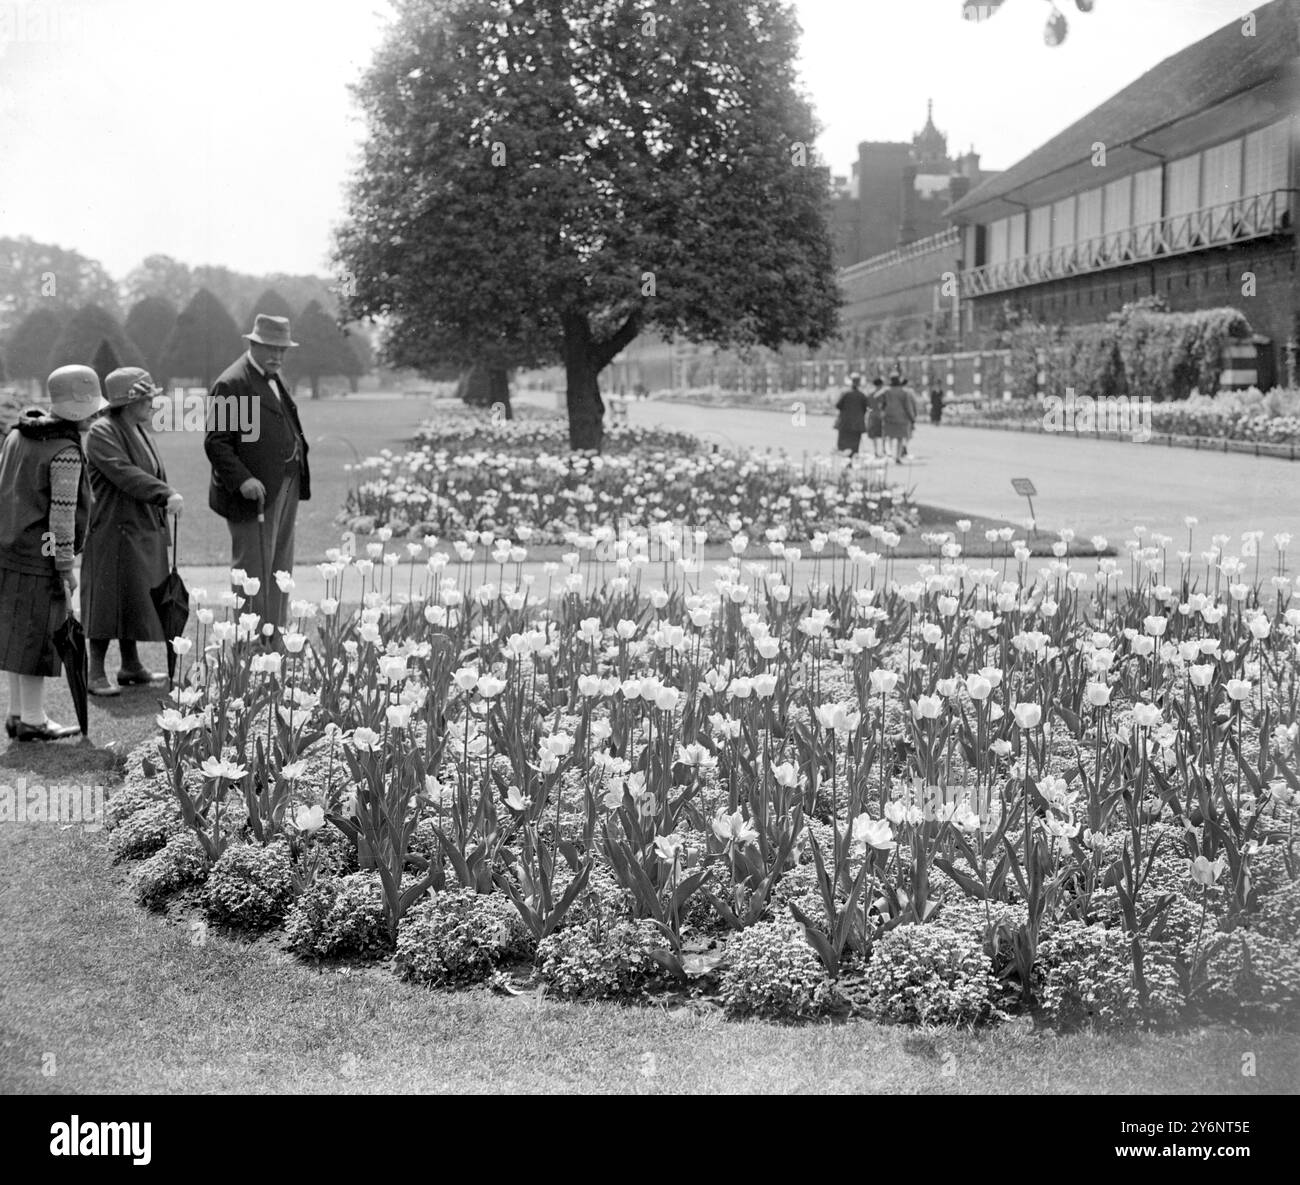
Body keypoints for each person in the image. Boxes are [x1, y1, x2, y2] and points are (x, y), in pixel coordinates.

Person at [0, 365, 100, 741]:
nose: (95, 414)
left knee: (13, 637)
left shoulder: (15, 435)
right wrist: (65, 566)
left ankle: (16, 713)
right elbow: (61, 516)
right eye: (90, 407)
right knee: (38, 641)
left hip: (8, 551)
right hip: (40, 559)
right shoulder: (66, 451)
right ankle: (34, 718)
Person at [205, 315, 311, 633]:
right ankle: (250, 647)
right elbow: (217, 443)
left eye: (282, 349)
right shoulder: (234, 383)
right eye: (270, 348)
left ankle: (274, 640)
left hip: (286, 484)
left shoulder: (275, 378)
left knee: (279, 568)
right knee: (253, 572)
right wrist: (244, 479)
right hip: (253, 493)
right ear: (253, 344)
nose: (277, 356)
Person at [82, 369, 184, 696]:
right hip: (112, 529)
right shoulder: (101, 432)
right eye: (146, 397)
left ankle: (130, 665)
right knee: (106, 599)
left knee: (131, 595)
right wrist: (164, 492)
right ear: (129, 401)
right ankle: (94, 671)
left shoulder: (136, 429)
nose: (152, 403)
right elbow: (123, 473)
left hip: (137, 527)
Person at [882, 371, 917, 461]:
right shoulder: (904, 392)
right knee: (900, 438)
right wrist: (912, 418)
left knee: (888, 436)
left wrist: (883, 407)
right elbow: (908, 407)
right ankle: (897, 456)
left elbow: (876, 397)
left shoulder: (886, 391)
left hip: (889, 417)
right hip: (901, 417)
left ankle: (889, 453)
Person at [834, 372, 869, 458]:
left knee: (844, 443)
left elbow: (838, 405)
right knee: (854, 444)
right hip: (857, 424)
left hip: (845, 423)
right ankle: (851, 460)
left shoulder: (846, 394)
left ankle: (845, 461)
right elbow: (866, 408)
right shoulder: (862, 396)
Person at [865, 377, 885, 457]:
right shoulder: (883, 394)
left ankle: (876, 451)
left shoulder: (870, 394)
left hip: (872, 416)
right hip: (882, 416)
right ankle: (883, 450)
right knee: (883, 435)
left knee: (874, 436)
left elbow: (867, 406)